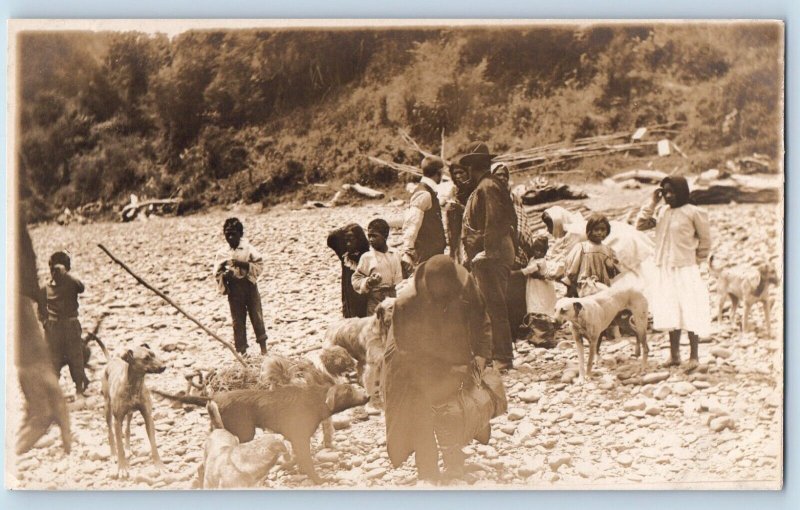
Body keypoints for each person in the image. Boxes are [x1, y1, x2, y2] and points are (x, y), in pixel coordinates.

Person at [383, 255, 492, 482]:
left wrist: (481, 354)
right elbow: (408, 351)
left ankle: (453, 461)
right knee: (419, 411)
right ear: (429, 290)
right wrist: (446, 370)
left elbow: (481, 320)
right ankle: (428, 470)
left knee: (452, 406)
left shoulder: (465, 284)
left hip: (451, 344)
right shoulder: (407, 304)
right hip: (411, 360)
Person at [636, 176, 712, 370]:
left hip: (686, 269)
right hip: (664, 268)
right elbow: (641, 224)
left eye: (673, 192)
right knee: (671, 310)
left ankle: (694, 356)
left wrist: (697, 261)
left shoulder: (694, 212)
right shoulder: (662, 211)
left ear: (682, 192)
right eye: (666, 192)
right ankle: (674, 355)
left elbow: (705, 240)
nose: (669, 196)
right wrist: (653, 201)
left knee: (690, 309)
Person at [459, 142, 518, 371]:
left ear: (474, 167)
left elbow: (495, 222)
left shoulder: (487, 187)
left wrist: (487, 251)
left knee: (494, 305)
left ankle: (502, 356)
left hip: (492, 255)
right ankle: (494, 354)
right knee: (488, 304)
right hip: (488, 253)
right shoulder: (488, 185)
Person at [542, 205, 655, 289]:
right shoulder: (572, 228)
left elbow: (569, 262)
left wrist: (549, 272)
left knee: (625, 272)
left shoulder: (574, 233)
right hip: (612, 235)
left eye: (550, 226)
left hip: (618, 240)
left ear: (559, 223)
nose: (548, 230)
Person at [214, 218, 268, 355]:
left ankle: (264, 349)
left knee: (257, 316)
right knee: (237, 322)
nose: (230, 237)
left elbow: (259, 265)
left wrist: (241, 264)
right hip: (234, 290)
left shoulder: (248, 249)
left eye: (233, 234)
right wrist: (225, 277)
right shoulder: (222, 253)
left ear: (240, 234)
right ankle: (243, 353)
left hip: (249, 286)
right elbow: (217, 272)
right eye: (227, 234)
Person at [40, 250, 87, 396]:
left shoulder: (71, 283)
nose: (57, 273)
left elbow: (81, 287)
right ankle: (53, 391)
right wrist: (46, 323)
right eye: (54, 270)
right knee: (53, 360)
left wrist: (66, 276)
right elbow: (41, 310)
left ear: (66, 269)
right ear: (50, 270)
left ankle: (79, 387)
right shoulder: (45, 289)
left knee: (76, 357)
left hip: (71, 325)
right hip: (53, 328)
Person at [400, 156, 447, 272]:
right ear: (439, 172)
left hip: (431, 252)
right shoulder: (424, 194)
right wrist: (407, 251)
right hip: (427, 253)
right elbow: (412, 223)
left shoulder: (426, 191)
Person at [352, 218, 404, 315]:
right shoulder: (367, 257)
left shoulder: (395, 254)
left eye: (374, 236)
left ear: (385, 235)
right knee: (375, 326)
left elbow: (402, 276)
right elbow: (356, 279)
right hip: (375, 300)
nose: (371, 239)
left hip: (393, 297)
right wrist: (369, 281)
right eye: (369, 236)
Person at [564, 214, 621, 297]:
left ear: (607, 231)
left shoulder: (608, 250)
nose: (599, 232)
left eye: (603, 229)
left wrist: (611, 266)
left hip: (603, 285)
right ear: (589, 230)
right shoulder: (582, 247)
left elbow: (613, 273)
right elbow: (572, 268)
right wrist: (571, 284)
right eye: (596, 229)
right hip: (585, 285)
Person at [327, 223, 370, 318]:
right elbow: (331, 238)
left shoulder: (368, 256)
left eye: (352, 239)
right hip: (349, 299)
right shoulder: (345, 255)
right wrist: (346, 228)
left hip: (365, 299)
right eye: (346, 240)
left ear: (360, 239)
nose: (348, 244)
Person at [520, 236, 564, 316]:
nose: (539, 253)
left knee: (539, 300)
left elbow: (531, 270)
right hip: (534, 284)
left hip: (539, 285)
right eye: (537, 250)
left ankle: (539, 317)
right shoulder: (533, 258)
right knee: (536, 300)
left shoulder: (540, 262)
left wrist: (518, 272)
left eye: (542, 252)